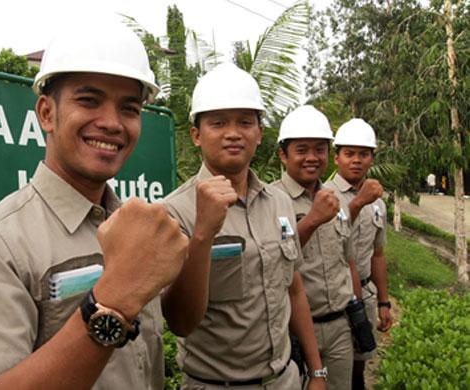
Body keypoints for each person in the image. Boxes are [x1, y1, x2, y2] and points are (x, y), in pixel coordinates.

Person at [0, 19, 191, 389]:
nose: (111, 123)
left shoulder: (138, 228)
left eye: (129, 108)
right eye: (89, 101)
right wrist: (112, 303)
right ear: (46, 113)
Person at [162, 64, 326, 390]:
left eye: (245, 122)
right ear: (196, 135)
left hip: (285, 379)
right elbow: (179, 321)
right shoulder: (175, 211)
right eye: (218, 123)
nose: (234, 132)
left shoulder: (279, 203)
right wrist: (203, 235)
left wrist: (317, 371)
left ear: (260, 133)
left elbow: (292, 288)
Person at [272, 105, 363, 390]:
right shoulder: (271, 200)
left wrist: (359, 314)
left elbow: (347, 262)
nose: (312, 157)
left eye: (320, 149)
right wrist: (311, 221)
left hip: (339, 326)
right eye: (302, 150)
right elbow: (273, 262)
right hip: (294, 330)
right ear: (283, 154)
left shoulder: (337, 199)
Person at [325, 118, 392, 390]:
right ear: (337, 158)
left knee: (359, 367)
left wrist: (385, 302)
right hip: (335, 298)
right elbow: (329, 241)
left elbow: (377, 255)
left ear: (372, 158)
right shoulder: (324, 195)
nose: (356, 160)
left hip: (365, 294)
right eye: (349, 154)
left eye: (363, 154)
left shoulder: (378, 202)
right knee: (334, 373)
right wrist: (358, 202)